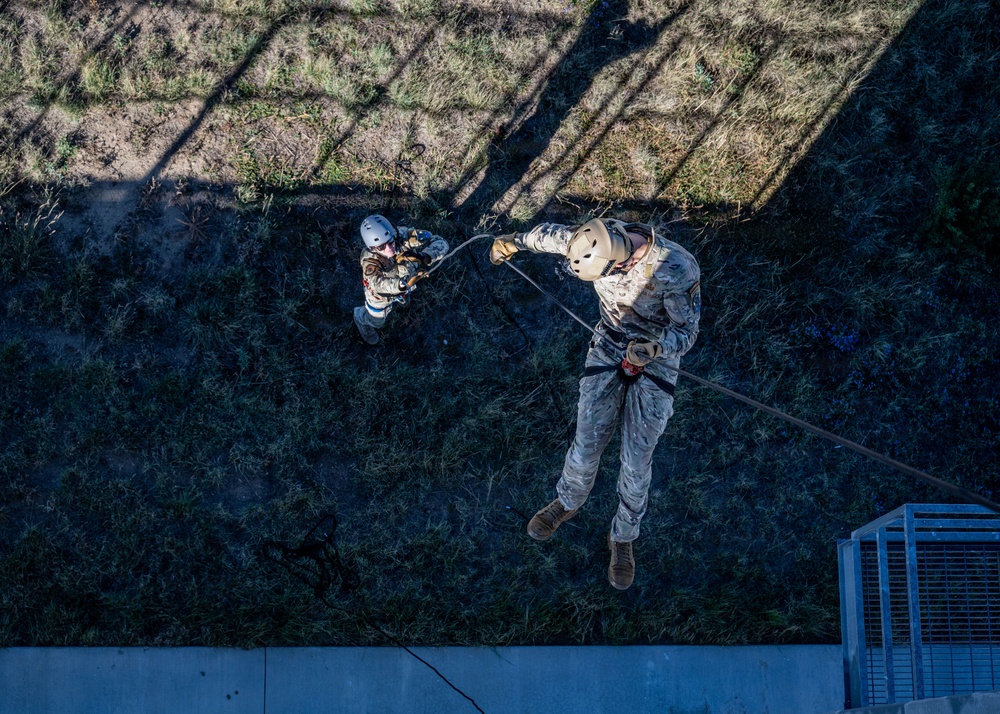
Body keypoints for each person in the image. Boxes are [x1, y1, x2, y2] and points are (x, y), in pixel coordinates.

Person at [490, 218, 700, 589]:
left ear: (619, 262)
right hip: (610, 343)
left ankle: (623, 537)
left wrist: (654, 349)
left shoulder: (675, 267)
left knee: (636, 461)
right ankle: (567, 503)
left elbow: (686, 332)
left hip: (657, 356)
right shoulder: (594, 238)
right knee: (587, 443)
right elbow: (550, 237)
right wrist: (513, 241)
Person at [353, 215, 448, 345]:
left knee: (404, 295)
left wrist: (424, 256)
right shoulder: (370, 260)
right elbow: (376, 284)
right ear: (373, 248)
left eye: (391, 241)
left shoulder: (402, 236)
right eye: (381, 247)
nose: (389, 249)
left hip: (405, 280)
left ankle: (403, 296)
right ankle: (360, 318)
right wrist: (402, 285)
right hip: (381, 296)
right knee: (377, 321)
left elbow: (440, 242)